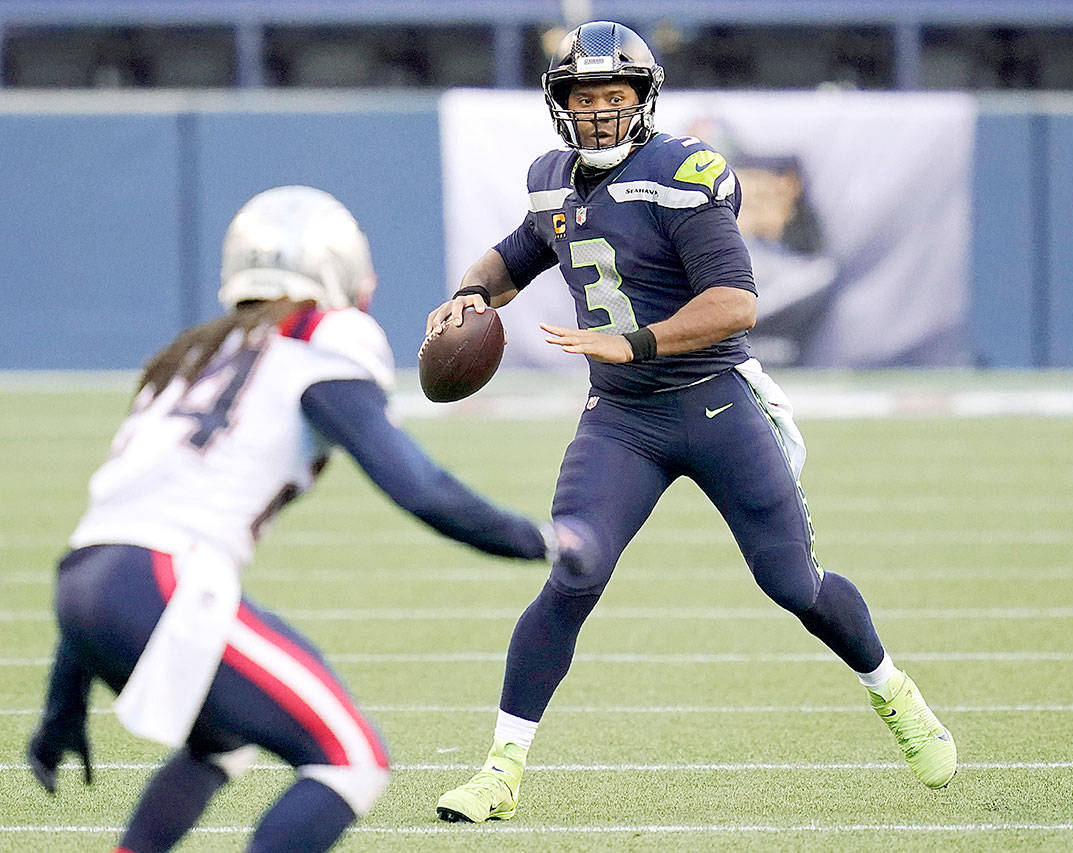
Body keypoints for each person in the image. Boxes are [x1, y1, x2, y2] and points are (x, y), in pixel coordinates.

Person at [428, 22, 957, 824]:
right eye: (583, 95)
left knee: (793, 585)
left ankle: (895, 691)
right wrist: (471, 293)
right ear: (558, 102)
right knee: (573, 570)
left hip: (713, 401)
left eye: (615, 95)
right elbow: (513, 256)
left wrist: (632, 340)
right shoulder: (550, 180)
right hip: (623, 420)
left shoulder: (684, 172)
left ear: (643, 99)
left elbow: (735, 302)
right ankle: (501, 769)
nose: (600, 111)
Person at [26, 185, 573, 852]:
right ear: (338, 272)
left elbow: (108, 537)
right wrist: (538, 540)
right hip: (163, 578)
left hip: (86, 585)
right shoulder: (325, 336)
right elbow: (418, 487)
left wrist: (63, 699)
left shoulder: (197, 352)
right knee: (351, 757)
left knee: (220, 740)